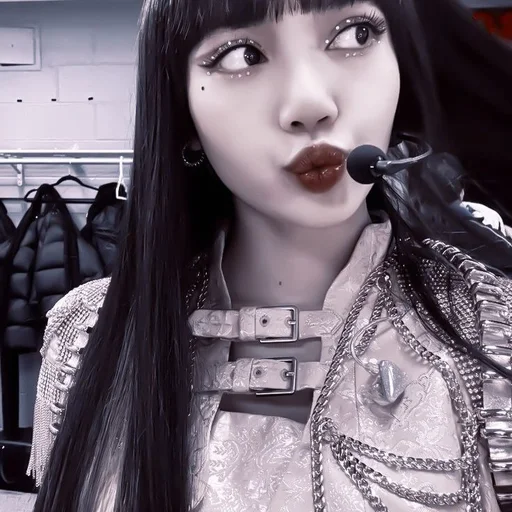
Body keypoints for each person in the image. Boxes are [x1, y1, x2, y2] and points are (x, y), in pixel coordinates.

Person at [27, 0, 512, 510]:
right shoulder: (88, 336)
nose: (310, 103)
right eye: (241, 55)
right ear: (182, 112)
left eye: (354, 34)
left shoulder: (491, 331)